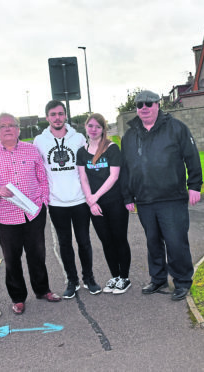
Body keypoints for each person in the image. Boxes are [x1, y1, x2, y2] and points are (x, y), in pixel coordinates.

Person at [120, 90, 203, 301]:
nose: (144, 108)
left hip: (172, 198)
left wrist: (195, 185)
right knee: (153, 242)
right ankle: (158, 279)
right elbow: (126, 168)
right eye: (140, 105)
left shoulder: (176, 128)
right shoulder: (129, 136)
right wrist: (128, 196)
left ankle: (182, 281)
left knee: (176, 242)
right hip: (145, 200)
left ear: (158, 104)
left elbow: (191, 157)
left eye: (149, 103)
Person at [0, 113, 61, 315]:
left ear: (18, 129)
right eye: (3, 126)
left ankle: (42, 290)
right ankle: (18, 298)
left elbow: (42, 177)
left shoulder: (31, 150)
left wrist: (43, 201)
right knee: (12, 258)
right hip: (6, 216)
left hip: (33, 213)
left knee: (37, 254)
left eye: (11, 125)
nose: (8, 129)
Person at [34, 100, 101, 298]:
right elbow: (37, 169)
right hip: (56, 202)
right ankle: (72, 281)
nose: (57, 118)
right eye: (53, 114)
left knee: (84, 241)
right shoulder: (40, 141)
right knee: (64, 243)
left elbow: (89, 165)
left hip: (79, 199)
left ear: (65, 116)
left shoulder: (78, 138)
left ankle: (88, 278)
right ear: (47, 118)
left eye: (60, 114)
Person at [76, 113, 132, 294]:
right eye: (90, 126)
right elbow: (83, 178)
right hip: (95, 205)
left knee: (119, 239)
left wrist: (95, 197)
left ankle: (124, 278)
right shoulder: (81, 151)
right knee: (106, 241)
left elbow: (113, 176)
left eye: (97, 127)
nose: (93, 130)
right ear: (86, 127)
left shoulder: (112, 148)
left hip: (114, 202)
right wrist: (90, 202)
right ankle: (115, 276)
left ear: (103, 129)